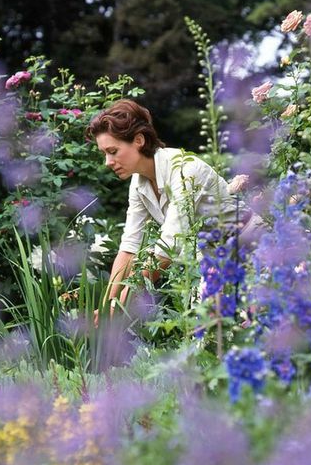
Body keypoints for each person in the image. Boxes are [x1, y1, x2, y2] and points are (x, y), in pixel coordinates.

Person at [86, 99, 261, 314]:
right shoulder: (139, 182)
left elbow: (168, 246)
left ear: (139, 140)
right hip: (212, 260)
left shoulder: (184, 168)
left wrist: (122, 303)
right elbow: (130, 246)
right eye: (104, 153)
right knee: (210, 336)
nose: (107, 162)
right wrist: (106, 306)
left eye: (113, 151)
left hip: (252, 245)